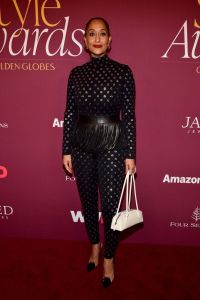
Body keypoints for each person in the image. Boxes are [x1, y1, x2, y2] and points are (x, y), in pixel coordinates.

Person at [62, 16, 136, 288]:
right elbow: (70, 113)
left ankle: (108, 257)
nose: (96, 38)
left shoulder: (123, 71)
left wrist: (130, 154)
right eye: (91, 34)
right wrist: (65, 150)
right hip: (81, 143)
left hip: (114, 144)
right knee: (88, 201)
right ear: (84, 40)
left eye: (102, 33)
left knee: (111, 206)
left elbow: (128, 116)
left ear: (109, 40)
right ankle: (94, 244)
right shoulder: (76, 74)